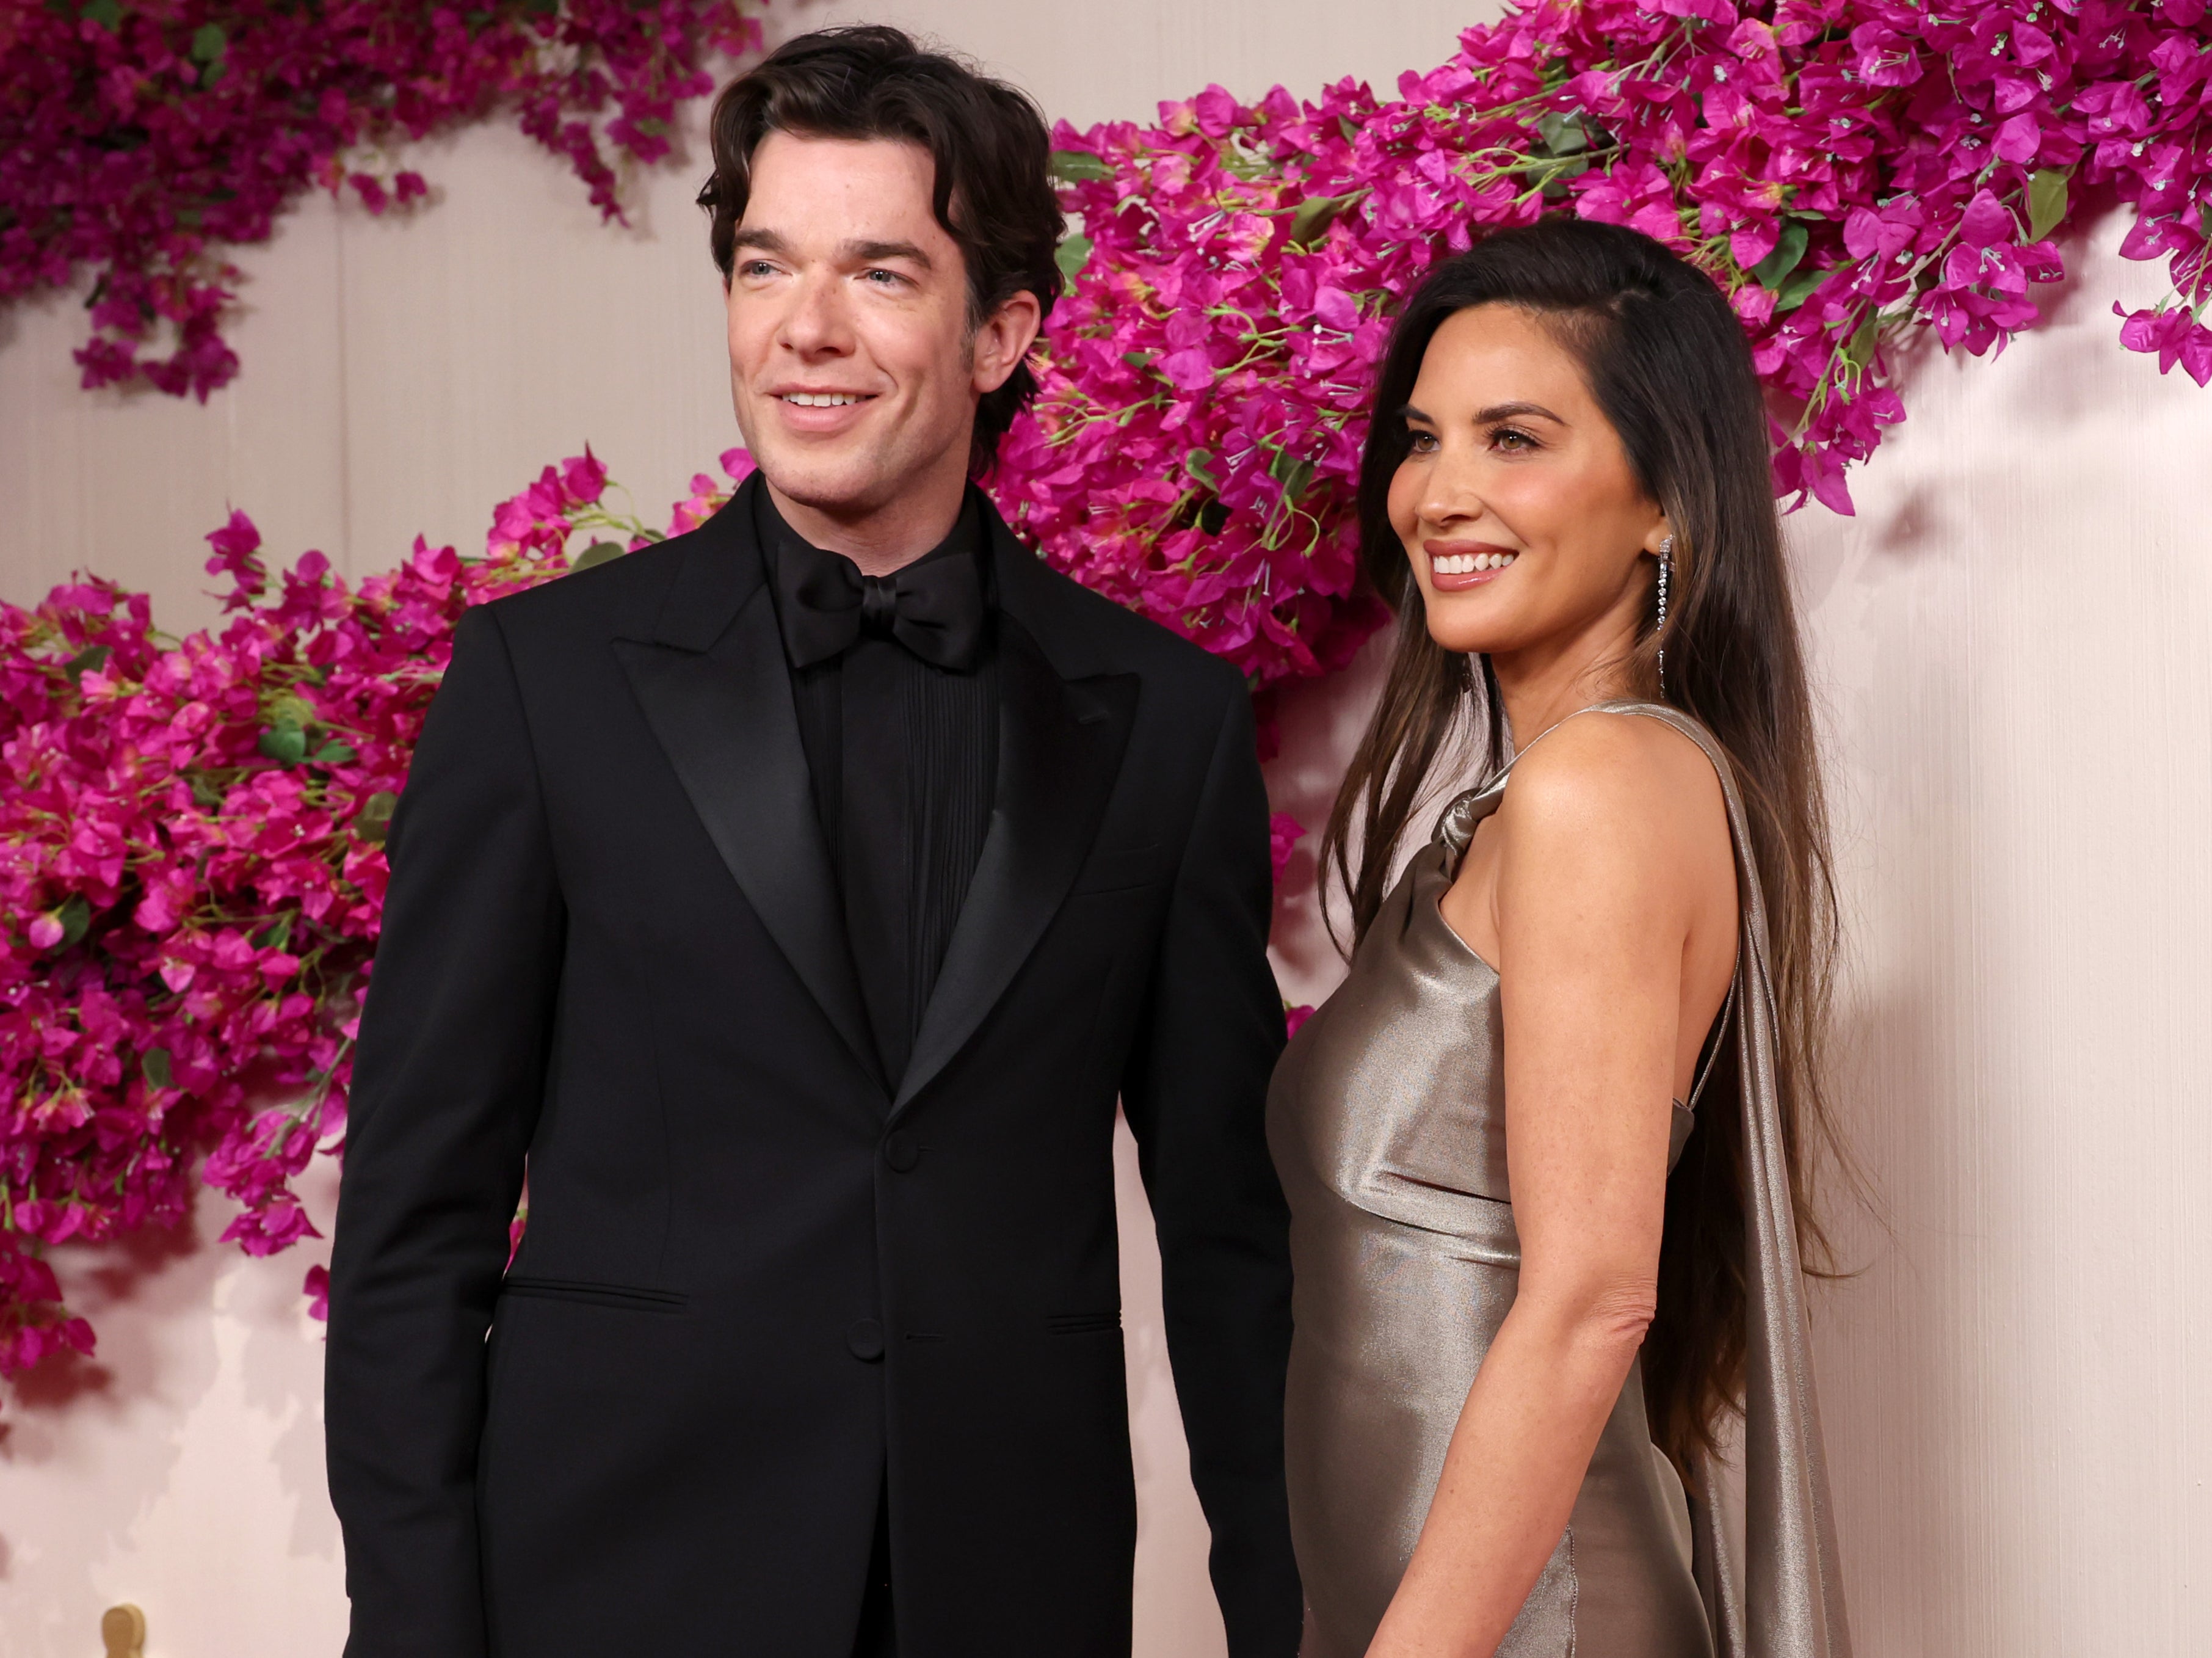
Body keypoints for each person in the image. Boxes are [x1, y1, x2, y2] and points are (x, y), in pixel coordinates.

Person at [324, 27, 1302, 1658]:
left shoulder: (1167, 721)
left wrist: (1291, 1617)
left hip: (1007, 1590)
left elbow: (1228, 1238)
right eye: (765, 264)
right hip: (609, 1585)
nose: (805, 331)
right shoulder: (544, 683)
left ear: (1000, 333)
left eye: (879, 274)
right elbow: (416, 1217)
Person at [1266, 217, 1855, 1657]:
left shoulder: (1603, 784)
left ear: (1665, 500)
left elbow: (1593, 1295)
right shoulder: (1547, 794)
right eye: (1424, 437)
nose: (1441, 494)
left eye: (1514, 438)